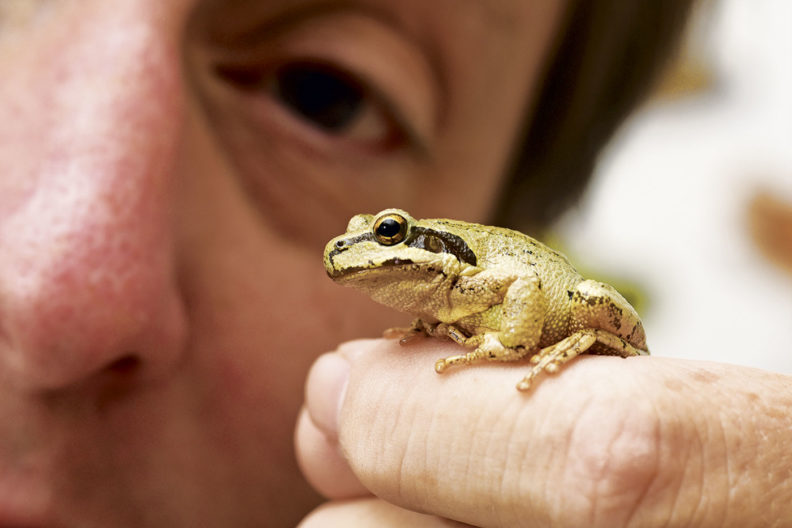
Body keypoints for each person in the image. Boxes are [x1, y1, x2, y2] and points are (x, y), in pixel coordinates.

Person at [1, 1, 789, 526]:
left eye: (322, 95)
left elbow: (516, 290)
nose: (53, 294)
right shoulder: (435, 297)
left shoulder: (480, 274)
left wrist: (505, 348)